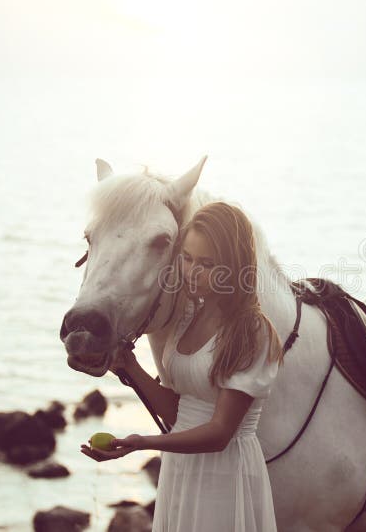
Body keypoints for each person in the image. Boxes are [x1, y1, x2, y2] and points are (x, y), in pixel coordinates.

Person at [79, 201, 284, 531]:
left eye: (205, 263)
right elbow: (180, 412)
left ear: (232, 266)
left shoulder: (250, 331)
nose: (191, 271)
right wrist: (129, 364)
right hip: (180, 469)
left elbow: (219, 433)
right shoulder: (188, 316)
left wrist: (142, 443)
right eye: (186, 258)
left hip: (224, 473)